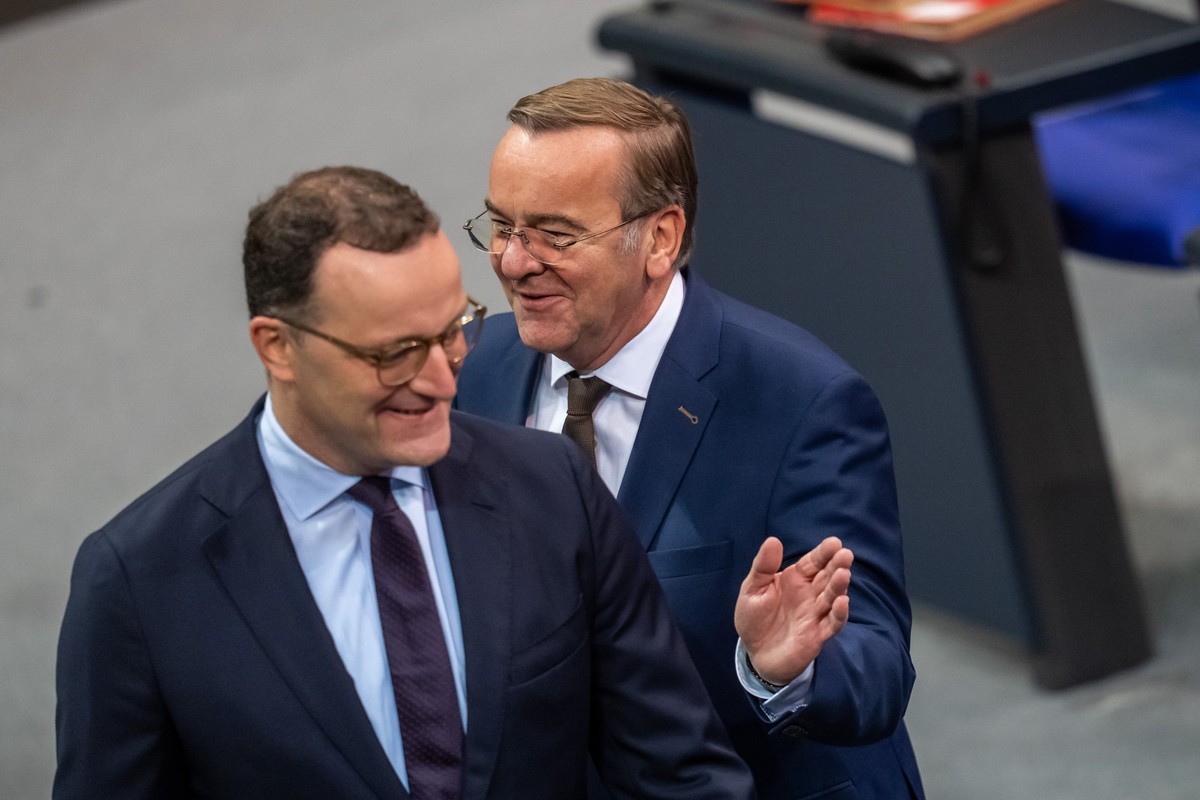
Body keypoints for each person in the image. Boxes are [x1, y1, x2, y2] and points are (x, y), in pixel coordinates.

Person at [53, 166, 756, 800]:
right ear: (278, 346)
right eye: (394, 353)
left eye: (452, 330)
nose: (441, 377)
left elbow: (683, 774)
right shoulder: (141, 581)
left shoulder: (551, 489)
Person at [454, 78, 925, 799]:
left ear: (661, 237)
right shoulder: (468, 373)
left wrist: (783, 667)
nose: (515, 261)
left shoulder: (802, 402)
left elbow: (877, 663)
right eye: (503, 226)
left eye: (555, 234)